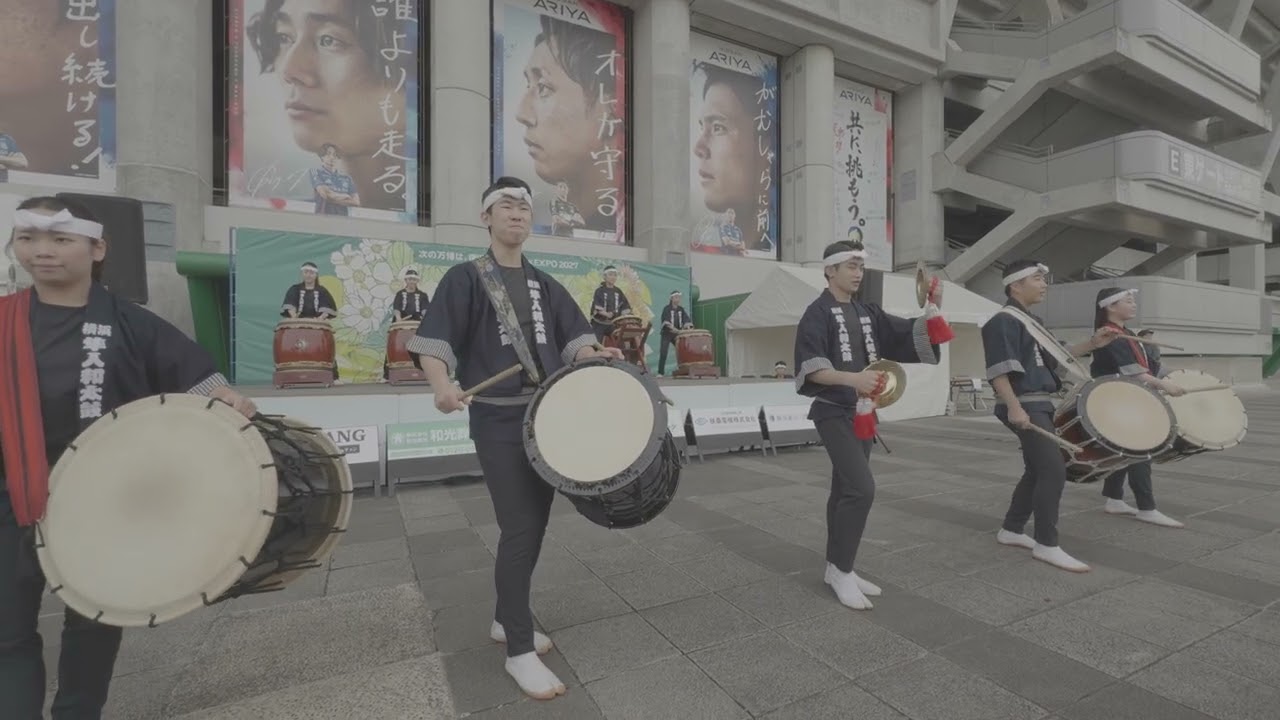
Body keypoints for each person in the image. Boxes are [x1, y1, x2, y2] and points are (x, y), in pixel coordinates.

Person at [0, 196, 257, 719]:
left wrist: (227, 398)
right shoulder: (4, 320)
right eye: (28, 239)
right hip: (11, 497)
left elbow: (199, 380)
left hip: (105, 506)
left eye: (60, 239)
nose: (43, 251)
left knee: (93, 625)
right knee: (7, 632)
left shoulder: (133, 324)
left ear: (97, 249)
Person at [406, 177, 621, 701]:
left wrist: (595, 355)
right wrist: (441, 386)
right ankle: (519, 651)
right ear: (486, 218)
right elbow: (433, 342)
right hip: (498, 421)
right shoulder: (465, 278)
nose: (518, 213)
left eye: (524, 206)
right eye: (506, 205)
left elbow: (574, 341)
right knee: (520, 526)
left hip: (546, 417)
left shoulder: (544, 284)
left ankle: (506, 618)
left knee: (534, 524)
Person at [794, 240, 955, 610]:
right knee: (861, 489)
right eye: (851, 266)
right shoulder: (816, 314)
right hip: (832, 411)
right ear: (830, 270)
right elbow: (811, 368)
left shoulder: (868, 312)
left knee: (844, 489)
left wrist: (933, 307)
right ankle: (842, 570)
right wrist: (854, 379)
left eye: (861, 267)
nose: (858, 273)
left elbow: (909, 333)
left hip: (864, 412)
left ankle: (837, 568)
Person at [982, 260, 1119, 573]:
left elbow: (1057, 360)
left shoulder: (1032, 321)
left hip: (1039, 404)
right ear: (1016, 285)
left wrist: (1093, 343)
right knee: (1053, 470)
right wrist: (1014, 407)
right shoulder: (1003, 321)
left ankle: (1012, 528)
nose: (1044, 284)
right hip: (1024, 404)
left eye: (1044, 279)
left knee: (1037, 470)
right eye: (1037, 279)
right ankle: (1046, 544)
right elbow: (998, 370)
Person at [1091, 288, 1185, 528]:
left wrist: (1176, 376)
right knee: (1141, 452)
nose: (1134, 304)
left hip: (1128, 399)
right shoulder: (1110, 334)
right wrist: (1165, 385)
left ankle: (1114, 499)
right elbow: (1134, 372)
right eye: (1128, 301)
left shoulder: (1127, 333)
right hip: (1118, 401)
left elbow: (1149, 367)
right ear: (1111, 306)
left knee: (1124, 451)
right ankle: (1146, 508)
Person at [310, 144, 361, 216]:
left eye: (335, 155)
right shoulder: (316, 172)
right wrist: (345, 196)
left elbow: (356, 202)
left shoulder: (347, 178)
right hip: (323, 218)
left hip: (342, 220)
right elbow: (325, 194)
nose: (332, 157)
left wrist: (332, 198)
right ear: (322, 157)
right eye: (328, 154)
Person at [590, 266, 632, 342]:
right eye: (610, 274)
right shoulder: (599, 291)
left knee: (622, 341)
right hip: (599, 323)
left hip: (613, 324)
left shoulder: (618, 291)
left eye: (615, 275)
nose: (613, 277)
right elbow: (597, 308)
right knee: (596, 344)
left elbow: (625, 306)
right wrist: (606, 314)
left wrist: (626, 315)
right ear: (604, 277)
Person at [657, 290, 693, 376]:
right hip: (667, 333)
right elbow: (666, 323)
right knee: (663, 352)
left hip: (677, 334)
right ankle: (660, 372)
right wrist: (677, 330)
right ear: (672, 298)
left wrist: (688, 327)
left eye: (679, 297)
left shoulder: (681, 309)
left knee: (682, 350)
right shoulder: (666, 309)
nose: (678, 299)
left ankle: (684, 370)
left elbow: (686, 320)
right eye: (676, 297)